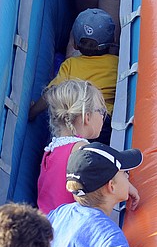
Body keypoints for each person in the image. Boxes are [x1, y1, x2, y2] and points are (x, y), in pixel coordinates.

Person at [35, 79, 139, 214]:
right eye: (101, 111)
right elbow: (107, 179)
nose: (103, 116)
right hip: (73, 224)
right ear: (87, 117)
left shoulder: (51, 149)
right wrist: (129, 186)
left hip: (51, 224)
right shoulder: (82, 150)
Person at [30, 9, 118, 144]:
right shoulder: (116, 63)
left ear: (75, 44)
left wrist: (33, 112)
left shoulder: (71, 64)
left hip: (75, 120)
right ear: (112, 41)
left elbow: (53, 93)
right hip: (103, 120)